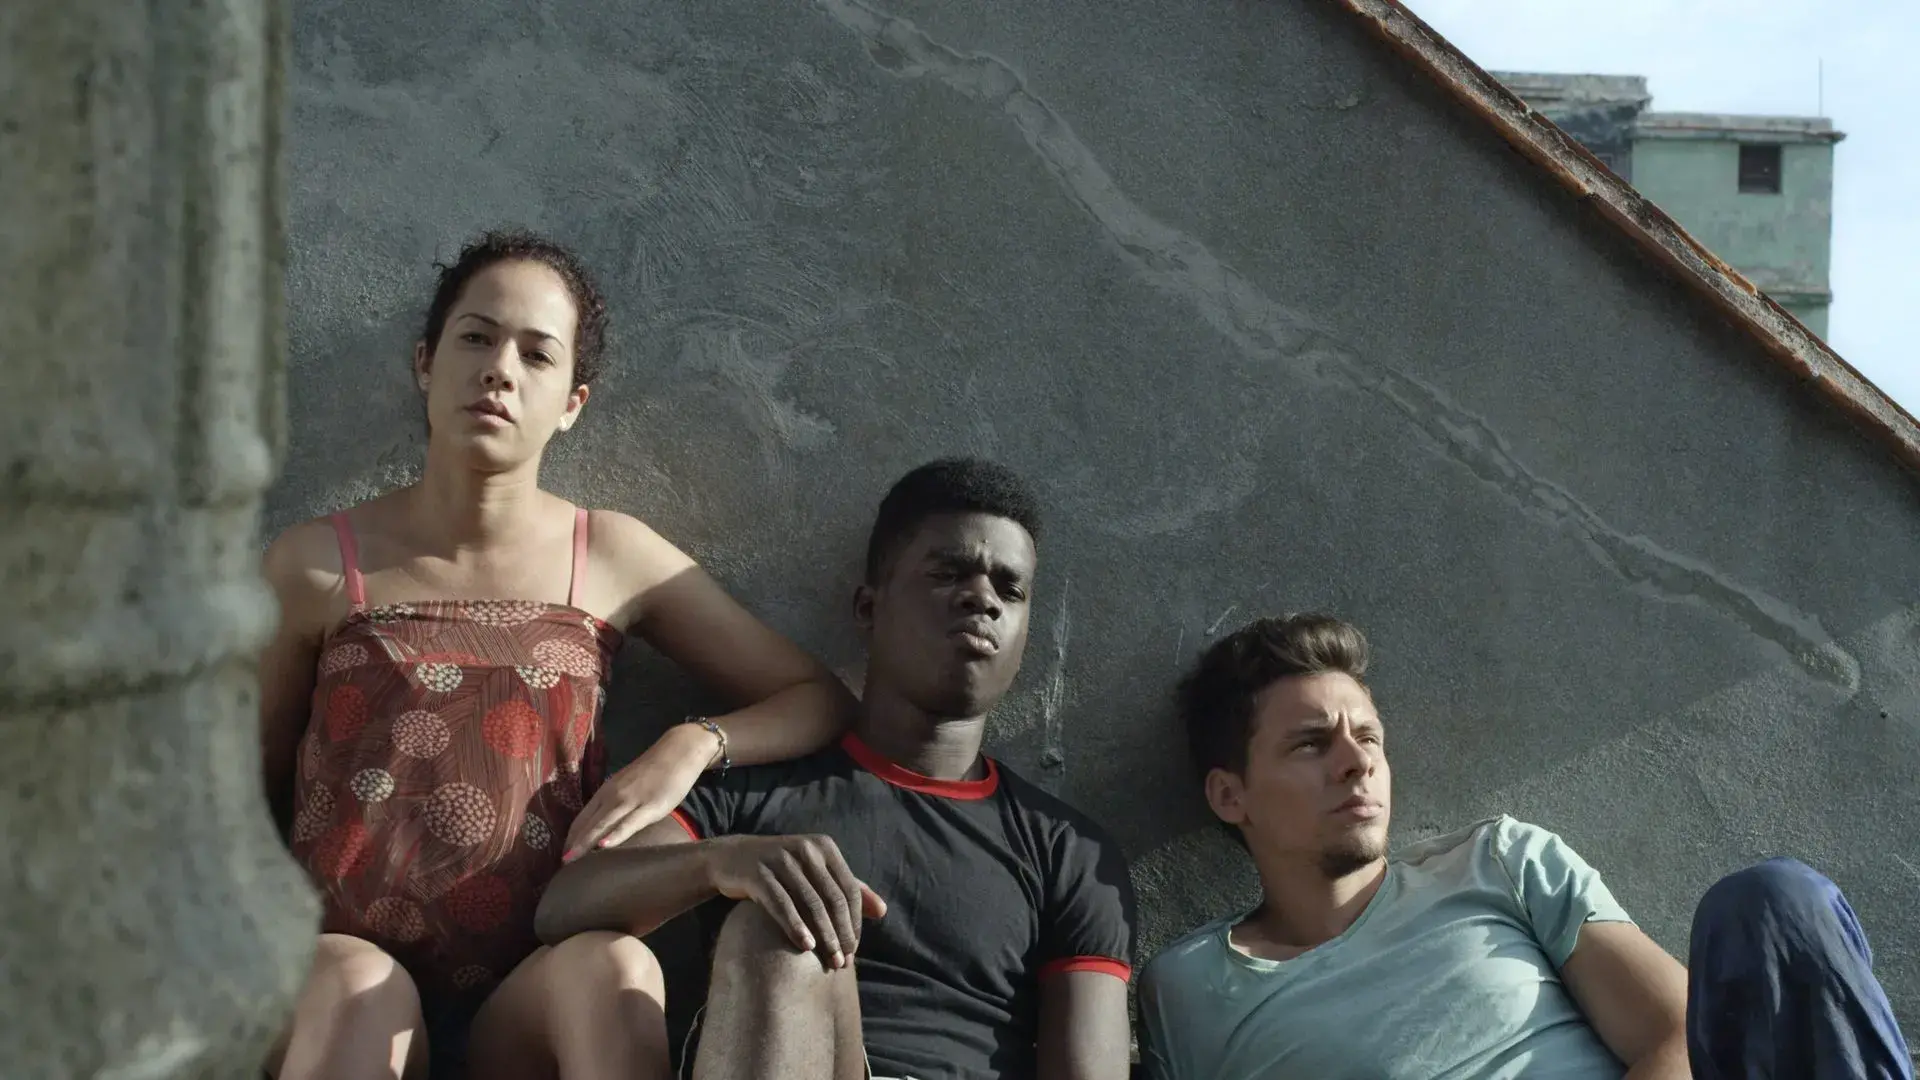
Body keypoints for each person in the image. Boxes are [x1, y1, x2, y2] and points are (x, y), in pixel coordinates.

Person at [257, 229, 857, 1080]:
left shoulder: (611, 556)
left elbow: (816, 696)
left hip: (529, 993)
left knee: (616, 968)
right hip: (336, 973)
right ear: (426, 363)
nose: (499, 368)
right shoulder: (315, 563)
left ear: (572, 401)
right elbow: (245, 780)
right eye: (476, 337)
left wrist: (692, 746)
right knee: (362, 985)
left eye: (537, 355)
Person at [534, 458, 1137, 1080]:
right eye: (948, 572)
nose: (981, 599)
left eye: (1009, 590)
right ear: (868, 608)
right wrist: (722, 860)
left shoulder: (1070, 853)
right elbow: (564, 907)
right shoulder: (759, 789)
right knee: (780, 925)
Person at [1140, 612, 1914, 1080]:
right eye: (1312, 744)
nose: (1357, 760)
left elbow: (1676, 1034)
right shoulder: (1187, 990)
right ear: (1229, 794)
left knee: (1775, 905)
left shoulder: (1499, 862)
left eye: (1368, 735)